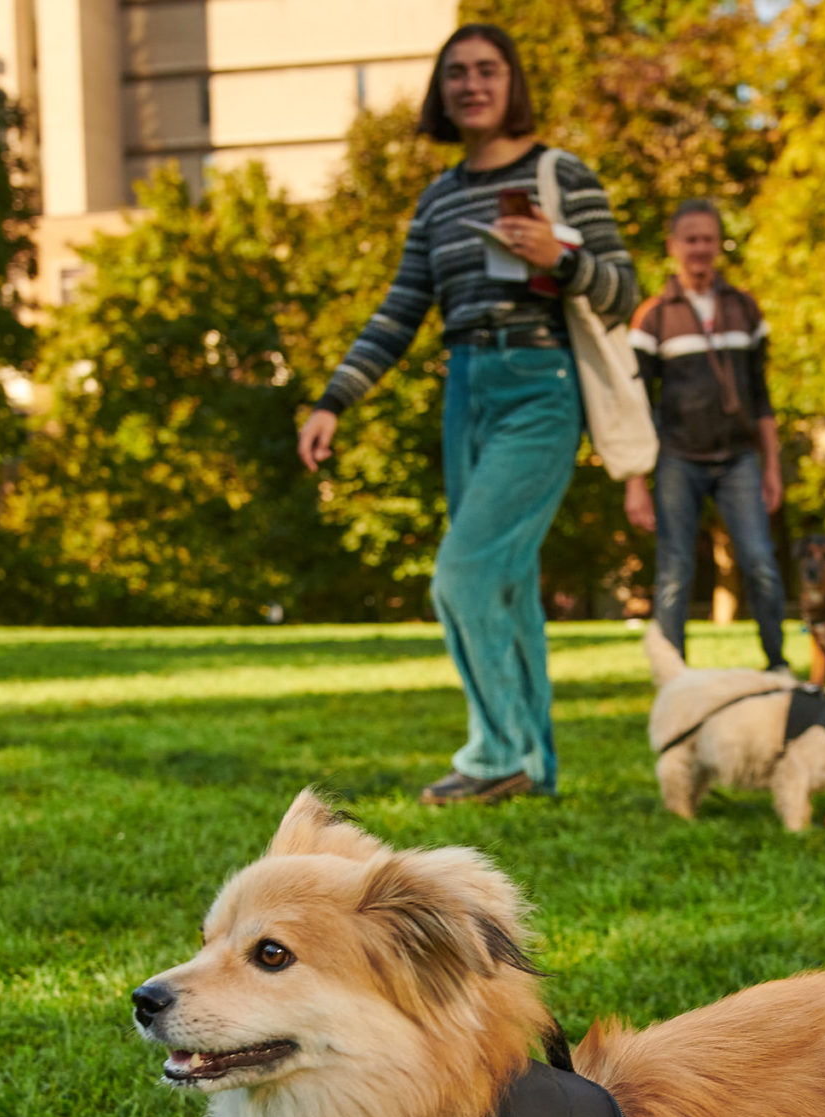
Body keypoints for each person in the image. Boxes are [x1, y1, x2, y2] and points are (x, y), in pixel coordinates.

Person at [297, 25, 639, 804]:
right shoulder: (440, 199)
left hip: (540, 383)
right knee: (505, 582)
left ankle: (496, 756)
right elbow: (398, 311)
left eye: (488, 70)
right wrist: (332, 400)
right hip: (466, 388)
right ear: (441, 91)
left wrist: (562, 259)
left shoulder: (562, 175)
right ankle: (532, 765)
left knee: (464, 573)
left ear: (513, 83)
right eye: (456, 73)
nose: (472, 84)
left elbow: (623, 289)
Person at [622, 199, 788, 673]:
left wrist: (772, 467)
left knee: (759, 561)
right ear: (674, 246)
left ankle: (777, 664)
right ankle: (673, 674)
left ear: (719, 245)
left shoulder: (744, 309)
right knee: (675, 571)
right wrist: (636, 480)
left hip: (739, 458)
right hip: (678, 457)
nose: (700, 248)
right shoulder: (654, 316)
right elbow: (636, 405)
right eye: (690, 239)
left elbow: (761, 397)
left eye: (708, 239)